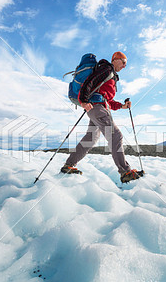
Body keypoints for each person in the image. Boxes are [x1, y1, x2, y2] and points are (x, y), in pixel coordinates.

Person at [60, 51, 143, 183]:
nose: (124, 66)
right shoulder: (106, 69)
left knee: (91, 139)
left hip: (99, 107)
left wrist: (122, 106)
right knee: (116, 135)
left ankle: (68, 165)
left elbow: (107, 100)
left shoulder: (111, 75)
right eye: (123, 62)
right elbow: (90, 82)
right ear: (115, 59)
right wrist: (84, 100)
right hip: (97, 108)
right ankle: (125, 172)